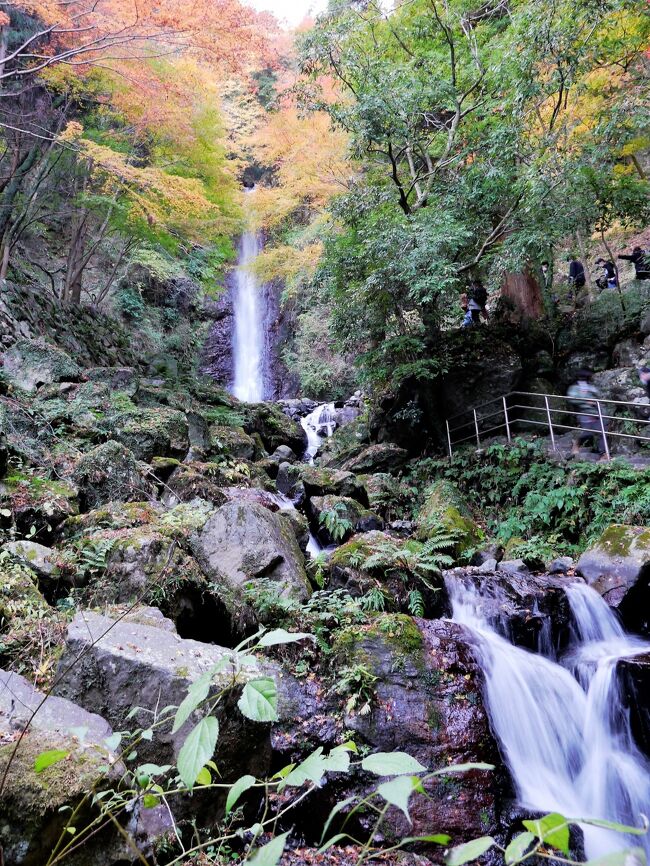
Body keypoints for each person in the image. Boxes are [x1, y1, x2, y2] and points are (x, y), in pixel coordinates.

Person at [567, 369, 606, 457]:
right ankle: (576, 443)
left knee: (602, 433)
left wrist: (596, 403)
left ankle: (603, 454)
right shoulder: (574, 388)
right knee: (588, 433)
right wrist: (585, 401)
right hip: (584, 413)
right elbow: (572, 399)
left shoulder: (591, 387)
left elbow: (599, 397)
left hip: (596, 413)